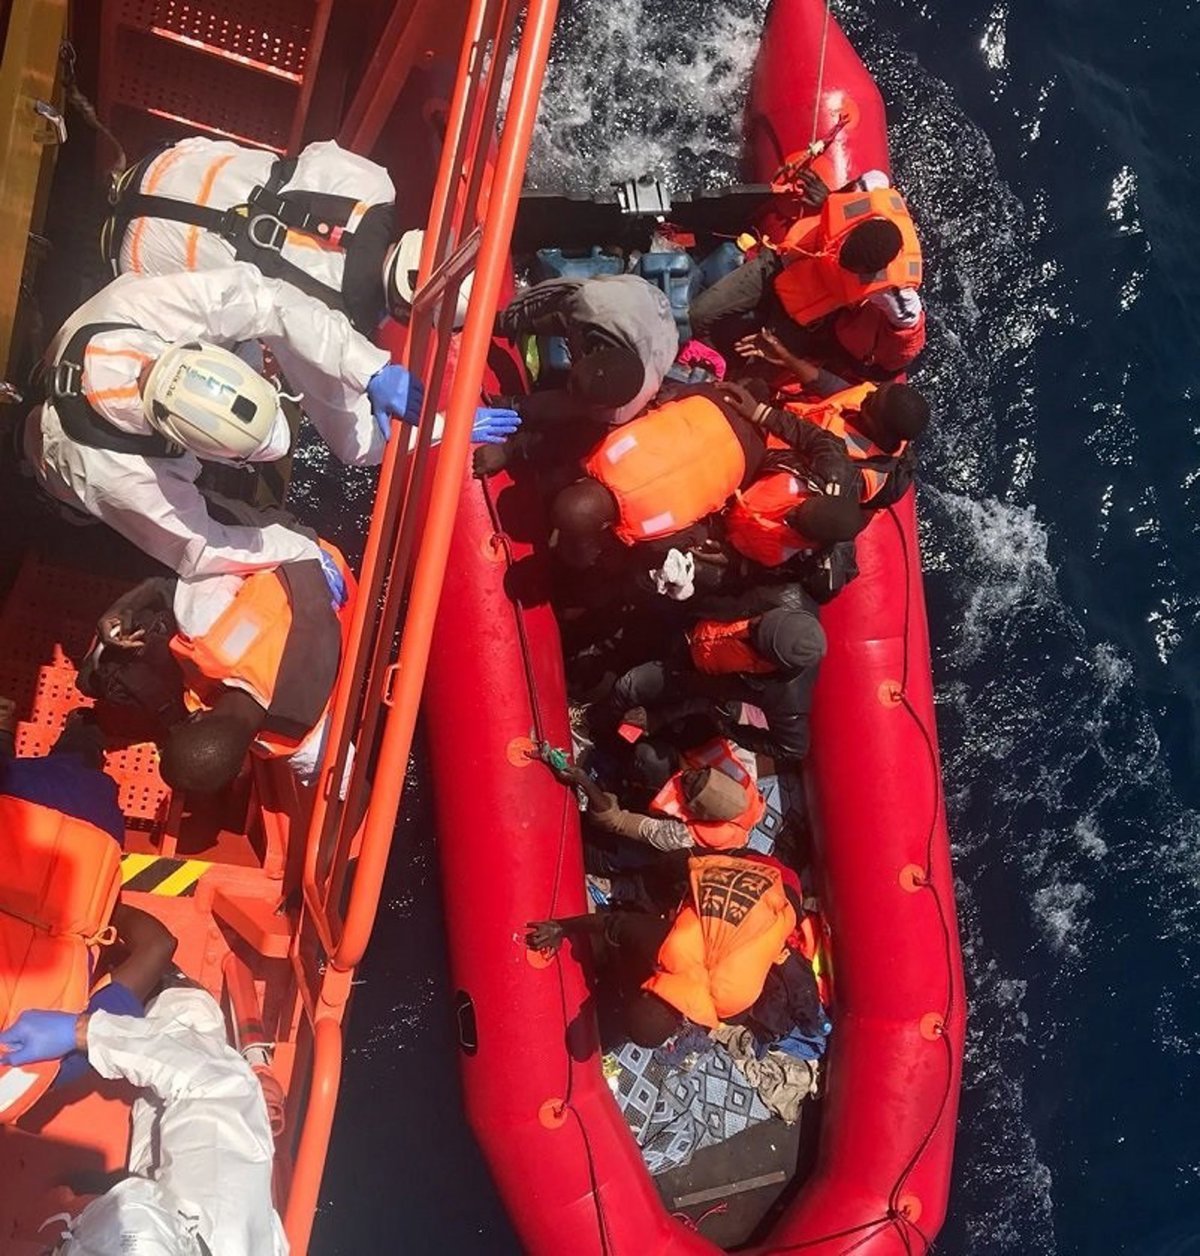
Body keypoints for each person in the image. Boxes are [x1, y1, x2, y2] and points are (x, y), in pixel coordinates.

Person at [23, 265, 425, 576]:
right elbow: (200, 549)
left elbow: (267, 299)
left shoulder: (140, 307)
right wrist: (301, 550)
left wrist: (368, 368)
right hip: (54, 459)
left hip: (69, 367)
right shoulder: (122, 477)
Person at [0, 985, 287, 1254]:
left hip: (162, 1216)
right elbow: (216, 1083)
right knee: (190, 1024)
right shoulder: (223, 1216)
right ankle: (178, 999)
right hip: (192, 1209)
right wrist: (84, 1032)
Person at [103, 134, 470, 337]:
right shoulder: (338, 326)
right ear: (406, 313)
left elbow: (317, 152)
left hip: (162, 167)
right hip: (131, 257)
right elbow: (348, 435)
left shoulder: (376, 184)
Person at [0, 707, 177, 1121]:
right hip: (22, 817)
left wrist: (98, 912)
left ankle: (86, 728)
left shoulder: (54, 1071)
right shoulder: (56, 1067)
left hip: (89, 837)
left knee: (78, 757)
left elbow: (159, 945)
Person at [84, 527, 353, 789]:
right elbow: (163, 583)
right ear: (194, 718)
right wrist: (123, 607)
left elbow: (343, 778)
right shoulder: (205, 630)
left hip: (334, 583)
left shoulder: (301, 737)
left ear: (241, 767)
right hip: (303, 552)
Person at [547, 385, 861, 576]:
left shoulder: (608, 452)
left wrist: (723, 552)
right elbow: (825, 442)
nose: (790, 514)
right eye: (796, 510)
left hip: (720, 420)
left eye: (793, 520)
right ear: (817, 493)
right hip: (742, 438)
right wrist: (761, 414)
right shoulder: (833, 471)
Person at [526, 853, 803, 1047]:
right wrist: (560, 927)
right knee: (667, 874)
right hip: (769, 883)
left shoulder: (733, 1005)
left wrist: (562, 927)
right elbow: (611, 923)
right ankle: (628, 885)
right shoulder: (669, 944)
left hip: (778, 893)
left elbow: (614, 925)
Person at [688, 170, 924, 378]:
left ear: (872, 272)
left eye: (851, 267)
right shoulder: (869, 191)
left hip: (801, 316)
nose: (838, 260)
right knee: (698, 315)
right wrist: (831, 197)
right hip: (778, 264)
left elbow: (908, 330)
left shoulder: (895, 292)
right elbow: (877, 176)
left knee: (757, 375)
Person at [609, 590, 826, 763]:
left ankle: (603, 724)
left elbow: (792, 749)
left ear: (768, 664)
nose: (751, 625)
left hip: (689, 676)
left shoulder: (786, 697)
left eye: (755, 638)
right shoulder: (787, 594)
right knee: (633, 629)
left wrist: (726, 726)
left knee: (628, 686)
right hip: (688, 621)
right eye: (761, 621)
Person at [491, 271, 679, 431]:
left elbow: (570, 405)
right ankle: (528, 326)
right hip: (639, 297)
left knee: (581, 416)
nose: (570, 389)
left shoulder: (622, 411)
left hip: (664, 337)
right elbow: (549, 296)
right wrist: (505, 321)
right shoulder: (591, 302)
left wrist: (515, 407)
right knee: (568, 316)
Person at [548, 737, 765, 853]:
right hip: (683, 753)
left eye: (691, 786)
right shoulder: (742, 764)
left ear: (693, 810)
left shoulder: (683, 836)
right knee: (653, 751)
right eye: (700, 774)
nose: (688, 776)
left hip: (657, 831)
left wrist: (584, 782)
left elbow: (616, 821)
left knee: (648, 760)